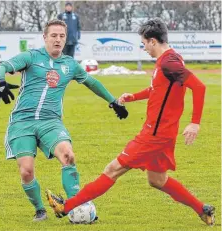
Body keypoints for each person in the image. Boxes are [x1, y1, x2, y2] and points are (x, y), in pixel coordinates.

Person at [46, 18, 215, 226]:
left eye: (144, 43)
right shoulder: (171, 59)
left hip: (155, 135)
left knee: (112, 170)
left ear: (153, 41)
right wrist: (132, 97)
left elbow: (199, 87)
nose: (144, 48)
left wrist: (195, 122)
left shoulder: (169, 63)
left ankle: (67, 206)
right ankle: (202, 209)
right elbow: (157, 90)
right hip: (163, 133)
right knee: (157, 180)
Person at [0, 19, 128, 222]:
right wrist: (1, 83)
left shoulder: (69, 64)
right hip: (22, 121)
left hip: (50, 121)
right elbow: (1, 67)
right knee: (27, 171)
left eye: (62, 36)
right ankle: (40, 210)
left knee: (68, 155)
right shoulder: (31, 57)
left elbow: (91, 82)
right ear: (45, 37)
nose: (58, 40)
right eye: (54, 36)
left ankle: (76, 204)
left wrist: (113, 101)